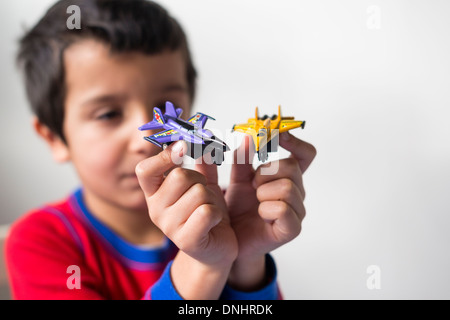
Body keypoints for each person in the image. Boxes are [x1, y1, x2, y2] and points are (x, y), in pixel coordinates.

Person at [5, 0, 316, 300]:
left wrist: (247, 262)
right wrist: (204, 265)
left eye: (166, 112)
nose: (146, 140)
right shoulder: (40, 243)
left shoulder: (226, 212)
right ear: (54, 138)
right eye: (108, 114)